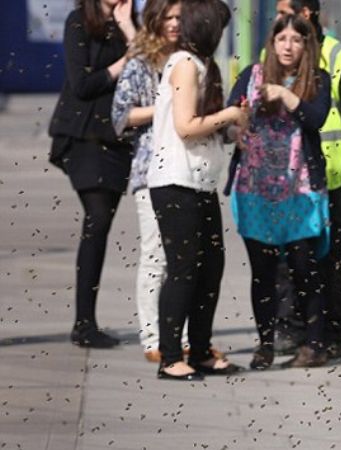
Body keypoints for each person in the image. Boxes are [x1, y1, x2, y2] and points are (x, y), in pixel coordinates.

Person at [272, 0, 341, 359]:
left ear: (306, 13)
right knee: (286, 257)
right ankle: (290, 327)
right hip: (282, 180)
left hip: (327, 178)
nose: (278, 19)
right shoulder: (272, 50)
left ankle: (331, 331)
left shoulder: (339, 58)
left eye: (284, 9)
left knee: (329, 259)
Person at [226, 13, 332, 369]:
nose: (288, 46)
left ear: (307, 45)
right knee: (263, 271)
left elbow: (316, 118)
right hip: (255, 189)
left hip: (299, 191)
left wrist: (286, 94)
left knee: (304, 267)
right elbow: (230, 115)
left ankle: (315, 344)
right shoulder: (252, 75)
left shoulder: (317, 80)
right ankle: (265, 345)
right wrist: (235, 128)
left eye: (296, 40)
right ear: (271, 44)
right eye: (282, 39)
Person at [147, 0, 246, 380]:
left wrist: (233, 131)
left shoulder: (202, 65)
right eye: (219, 26)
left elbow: (203, 128)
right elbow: (186, 125)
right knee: (184, 270)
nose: (221, 34)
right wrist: (230, 114)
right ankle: (172, 357)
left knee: (211, 268)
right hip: (175, 182)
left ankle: (201, 349)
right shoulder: (185, 64)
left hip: (199, 182)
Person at [48, 0, 138, 348]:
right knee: (97, 219)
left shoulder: (130, 22)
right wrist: (123, 63)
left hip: (116, 138)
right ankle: (83, 323)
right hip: (83, 134)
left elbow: (152, 67)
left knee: (100, 226)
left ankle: (86, 321)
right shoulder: (78, 22)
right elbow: (81, 84)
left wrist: (129, 28)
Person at [111, 0, 188, 363]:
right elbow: (120, 116)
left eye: (180, 18)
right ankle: (153, 337)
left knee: (184, 259)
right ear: (155, 21)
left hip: (188, 169)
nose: (175, 24)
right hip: (150, 171)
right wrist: (167, 108)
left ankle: (182, 335)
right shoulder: (141, 65)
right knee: (156, 254)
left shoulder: (191, 60)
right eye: (168, 17)